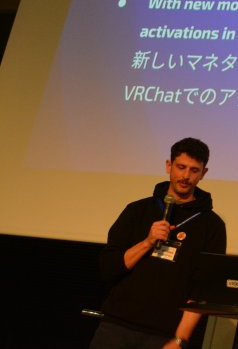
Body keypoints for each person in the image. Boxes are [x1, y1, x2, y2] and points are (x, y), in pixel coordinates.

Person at [91, 137, 227, 349]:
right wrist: (148, 242)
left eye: (194, 170)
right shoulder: (137, 210)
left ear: (203, 173)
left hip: (165, 335)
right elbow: (109, 268)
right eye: (181, 167)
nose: (186, 176)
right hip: (116, 326)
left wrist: (180, 339)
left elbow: (202, 291)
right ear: (168, 166)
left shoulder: (212, 225)